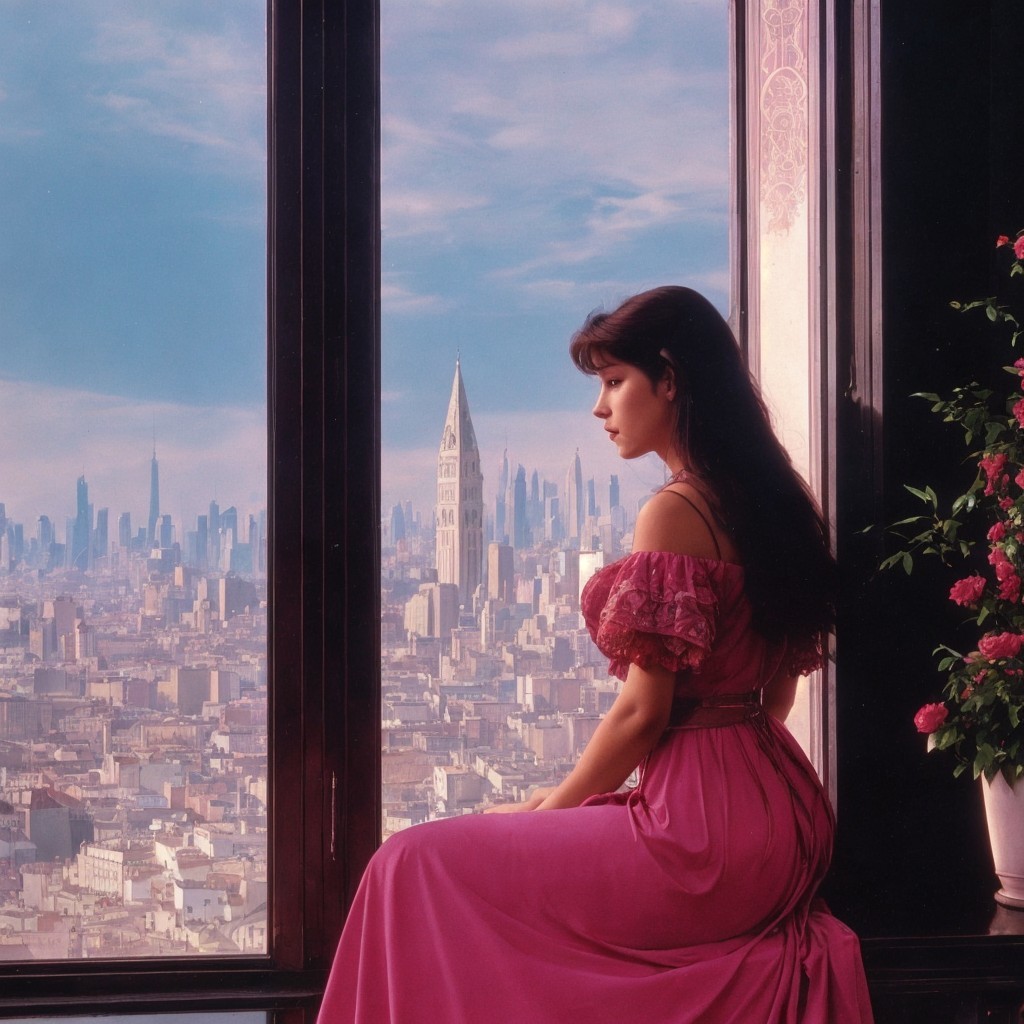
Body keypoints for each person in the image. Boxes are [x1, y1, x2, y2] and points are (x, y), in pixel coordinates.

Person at [316, 286, 873, 1023]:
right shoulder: (771, 503)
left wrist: (552, 811)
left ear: (669, 379)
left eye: (614, 381)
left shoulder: (674, 511)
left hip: (700, 845)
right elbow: (775, 699)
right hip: (790, 827)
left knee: (407, 864)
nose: (598, 408)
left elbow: (643, 714)